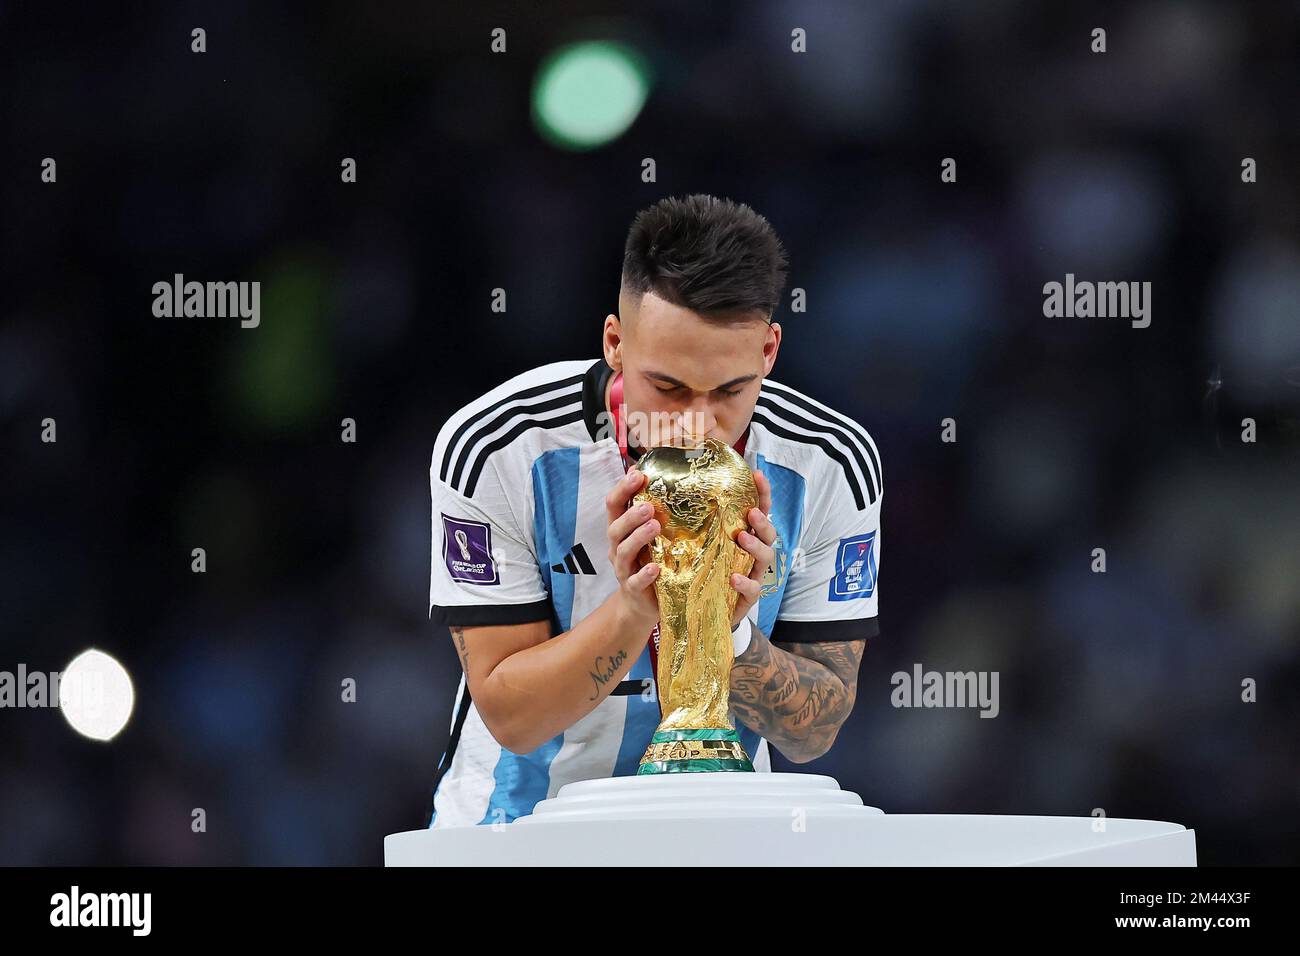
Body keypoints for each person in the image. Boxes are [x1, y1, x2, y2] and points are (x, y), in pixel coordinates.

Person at [426, 194, 882, 827]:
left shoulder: (831, 464)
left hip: (719, 837)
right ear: (615, 342)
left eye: (730, 391)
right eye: (667, 387)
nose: (698, 425)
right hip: (514, 835)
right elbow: (513, 719)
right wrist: (637, 609)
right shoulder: (500, 446)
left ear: (769, 353)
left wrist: (729, 631)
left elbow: (814, 733)